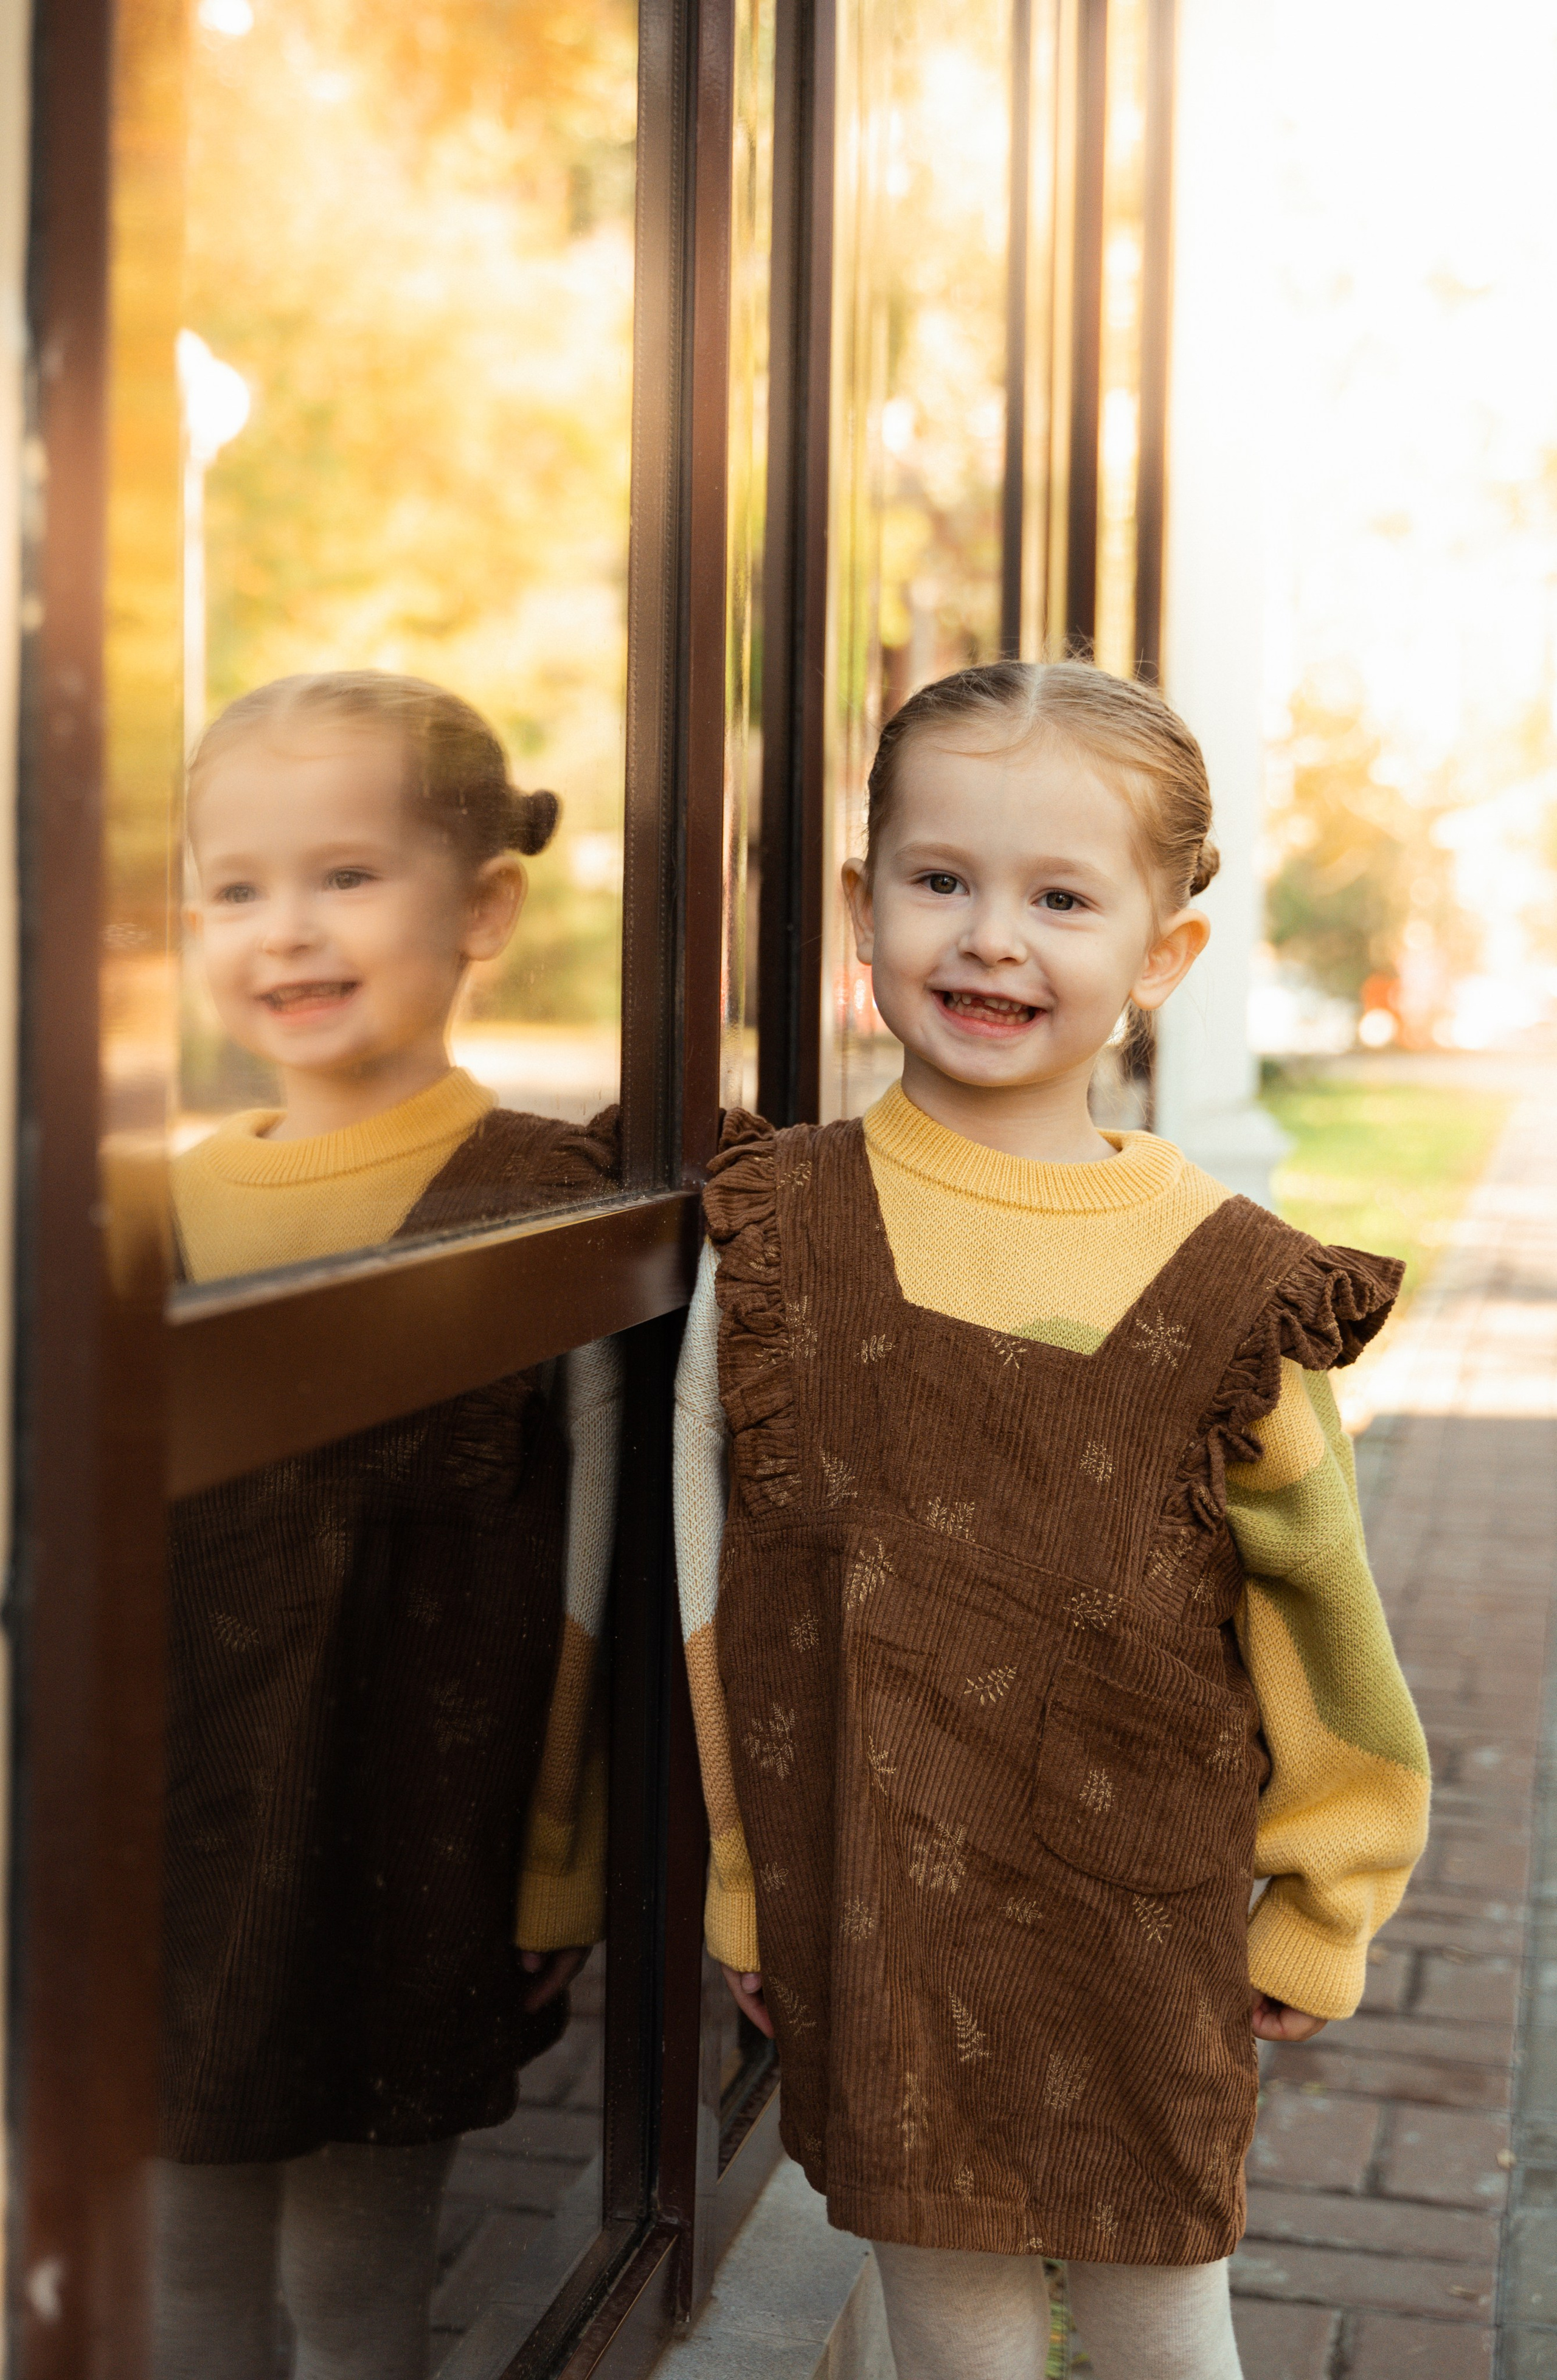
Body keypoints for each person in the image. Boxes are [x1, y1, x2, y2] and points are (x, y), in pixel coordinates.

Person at [673, 660, 1430, 2380]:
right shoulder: (780, 1231)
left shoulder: (1233, 1282)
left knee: (1163, 2321)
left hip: (1139, 1913)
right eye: (940, 880)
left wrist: (1328, 1892)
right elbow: (723, 1602)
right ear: (863, 905)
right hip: (881, 1900)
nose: (991, 939)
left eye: (1063, 900)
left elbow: (1320, 1609)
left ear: (1163, 953)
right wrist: (747, 1883)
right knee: (955, 2325)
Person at [156, 671, 619, 2380]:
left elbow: (594, 1576)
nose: (287, 928)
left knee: (357, 2292)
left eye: (345, 874)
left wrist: (562, 1864)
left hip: (407, 1854)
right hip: (165, 1852)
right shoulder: (137, 1213)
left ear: (484, 907)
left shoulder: (547, 1205)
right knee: (181, 2285)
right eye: (237, 887)